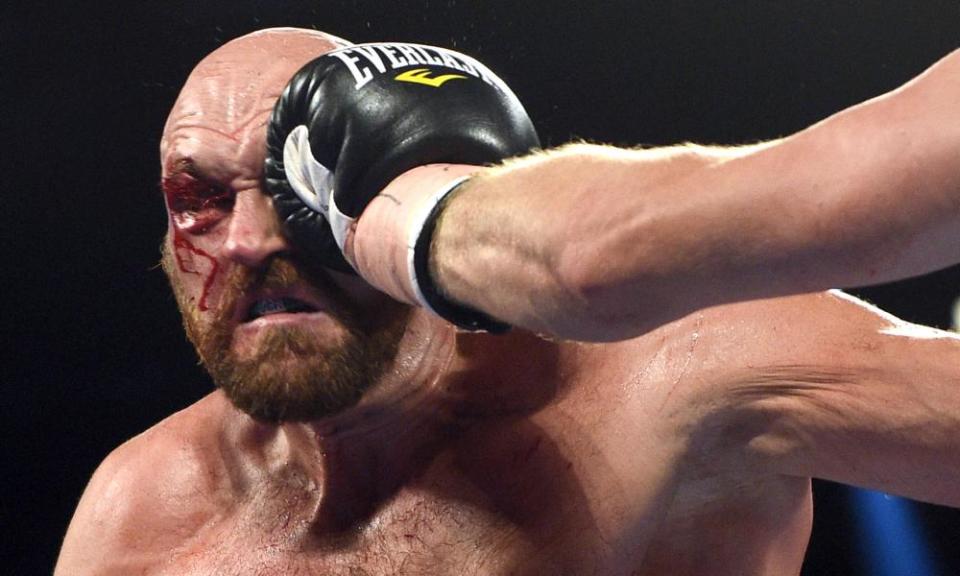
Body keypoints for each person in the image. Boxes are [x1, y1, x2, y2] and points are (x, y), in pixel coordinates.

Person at [55, 27, 960, 576]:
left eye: (297, 190)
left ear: (382, 186)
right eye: (202, 199)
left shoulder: (676, 371)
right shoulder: (143, 510)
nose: (251, 241)